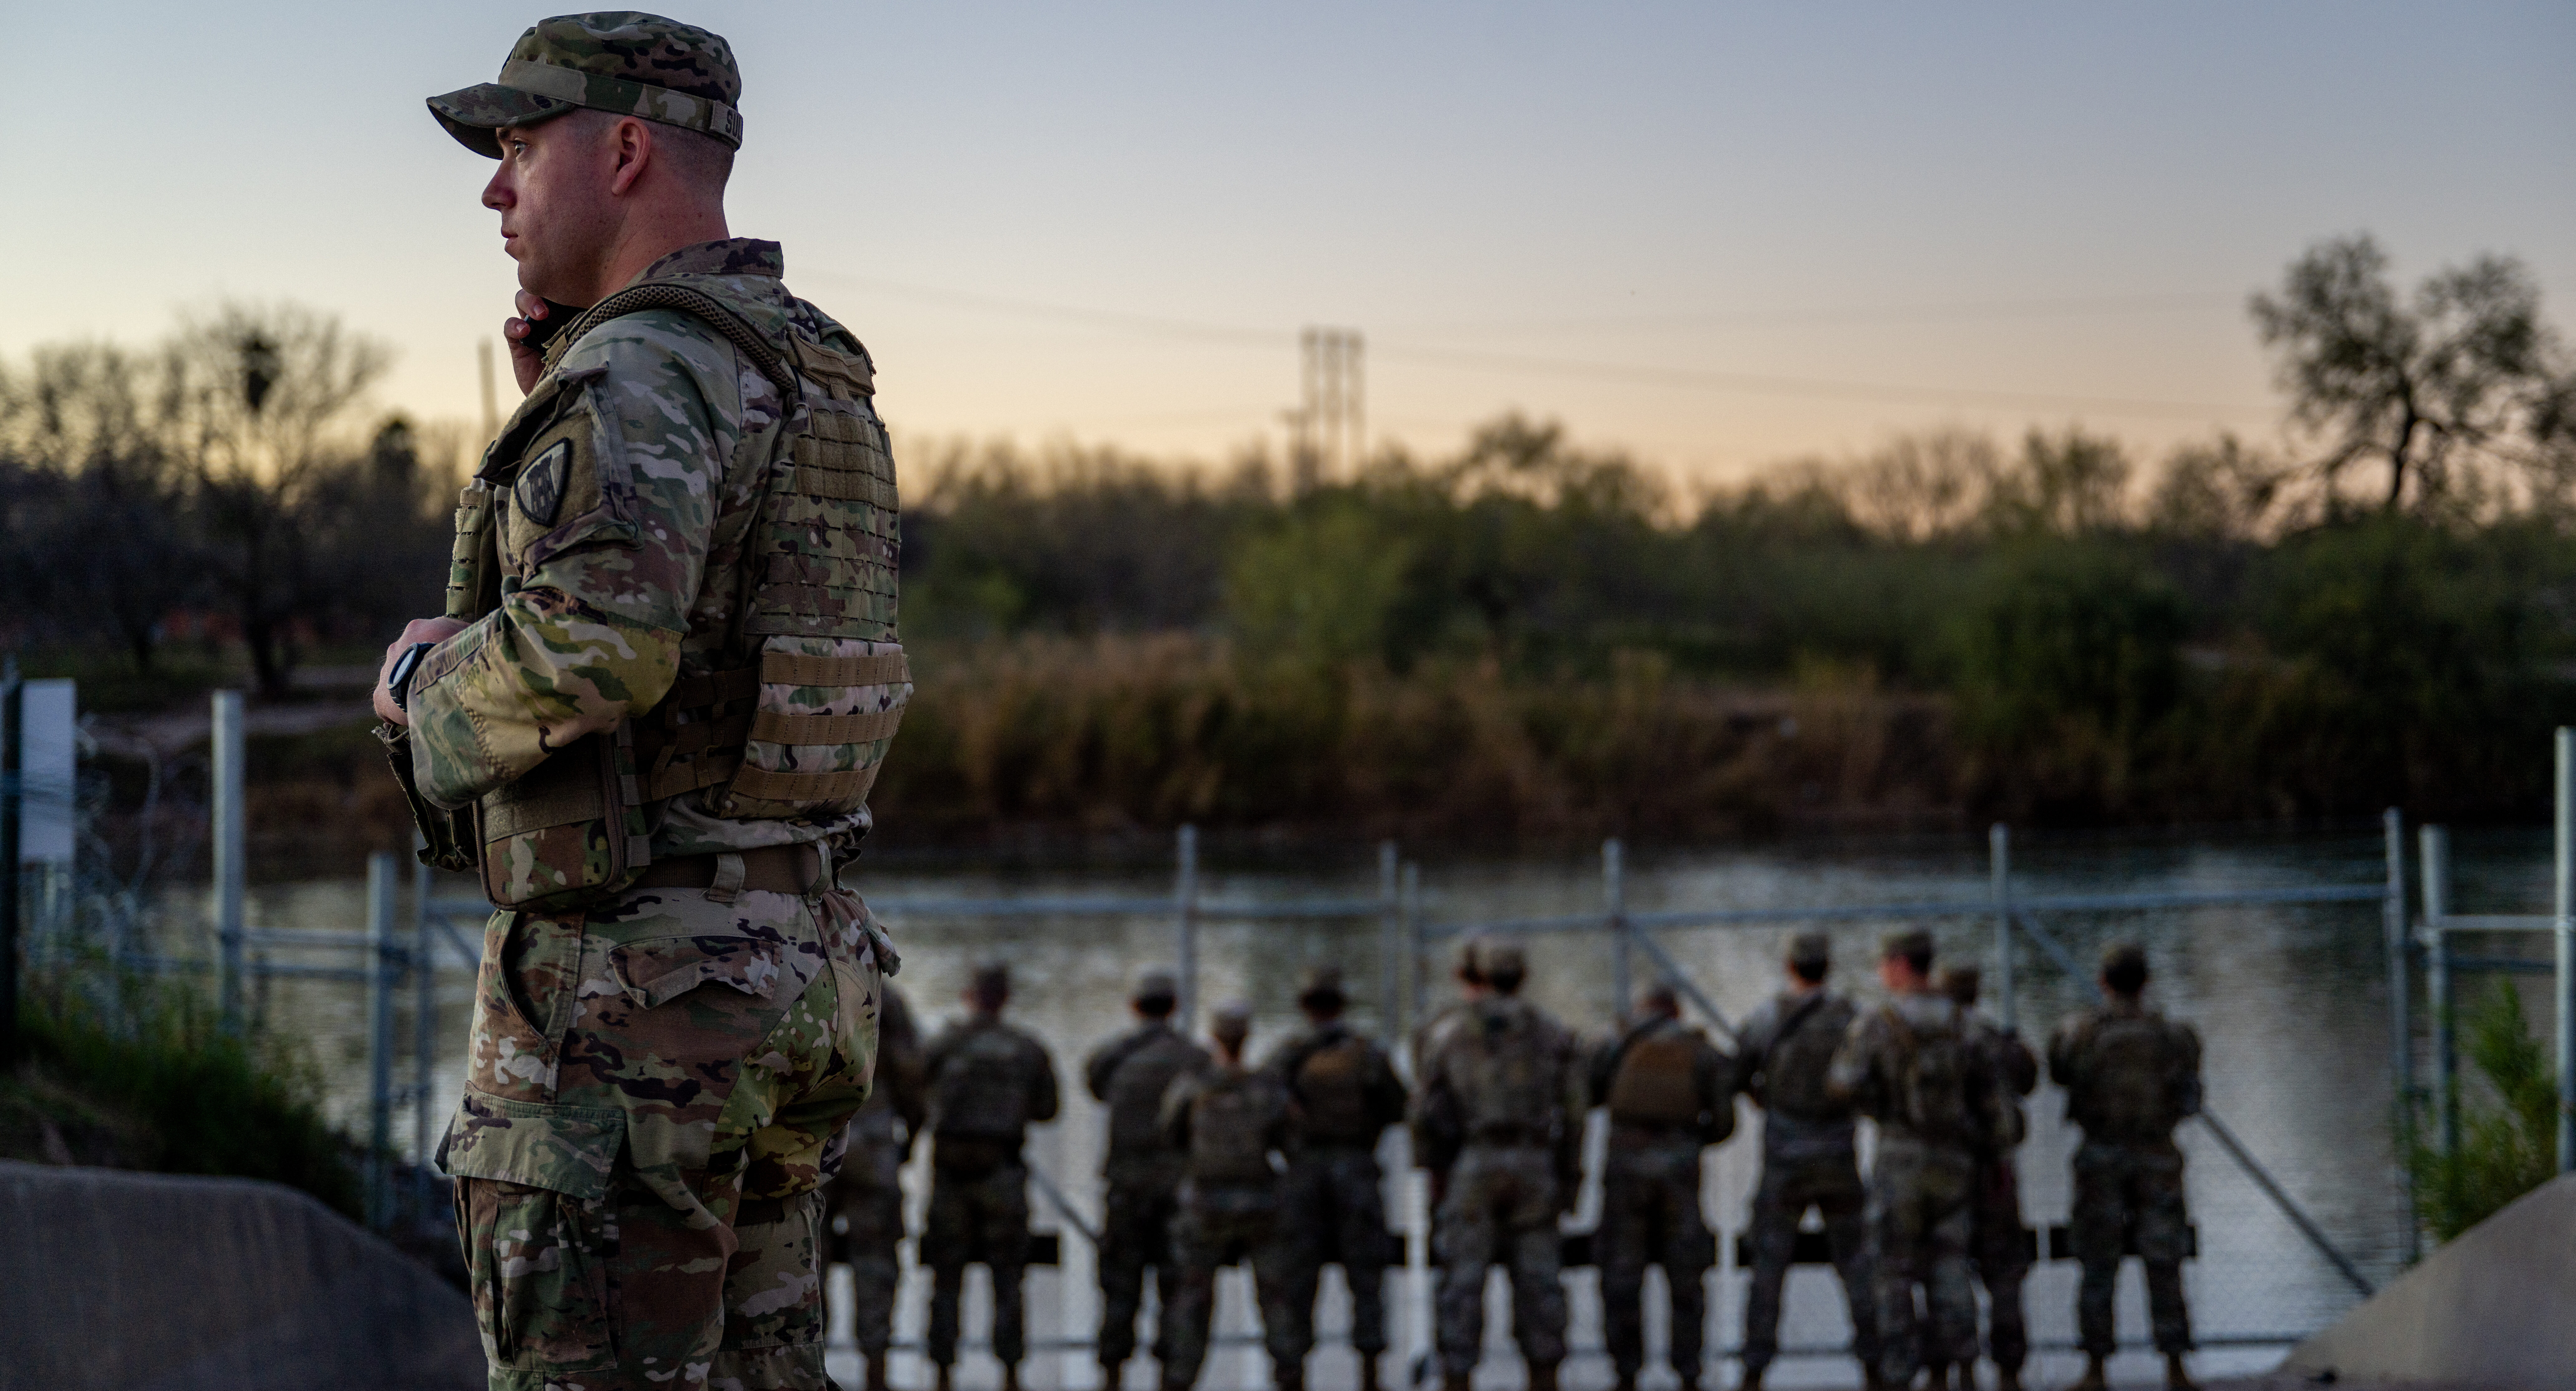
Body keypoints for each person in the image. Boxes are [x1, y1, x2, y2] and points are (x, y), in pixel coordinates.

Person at [392, 15, 905, 1390]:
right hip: (793, 956)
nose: (495, 189)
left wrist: (417, 685)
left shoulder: (643, 369)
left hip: (635, 994)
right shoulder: (811, 364)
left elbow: (597, 652)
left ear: (624, 150)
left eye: (517, 147)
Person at [1828, 930, 2004, 1391]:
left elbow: (1844, 1084)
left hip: (1898, 1160)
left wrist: (1881, 1106)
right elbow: (1994, 1103)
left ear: (1902, 965)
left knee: (1893, 1269)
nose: (1881, 972)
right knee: (1951, 1263)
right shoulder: (1966, 1023)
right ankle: (1965, 1365)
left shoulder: (1878, 1024)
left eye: (1885, 963)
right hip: (1955, 1161)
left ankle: (1900, 1370)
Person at [1410, 939, 1586, 1391]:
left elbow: (1425, 1112)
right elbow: (1575, 1113)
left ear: (1481, 978)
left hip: (1474, 1160)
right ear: (1523, 978)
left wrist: (1434, 1173)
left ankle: (1458, 1375)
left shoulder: (1448, 1032)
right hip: (1535, 1162)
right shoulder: (1552, 1033)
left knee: (1462, 1282)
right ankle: (1544, 1376)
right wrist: (1570, 1178)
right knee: (1540, 1282)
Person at [2047, 943, 2204, 1391]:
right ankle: (2176, 1366)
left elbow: (2059, 1073)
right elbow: (2191, 1096)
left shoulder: (2078, 1033)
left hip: (2100, 1157)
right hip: (2158, 1157)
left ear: (2103, 982)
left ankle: (2096, 1368)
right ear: (2147, 982)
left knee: (2098, 1261)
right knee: (2165, 1259)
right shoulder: (2175, 1035)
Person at [1731, 932, 1881, 1391]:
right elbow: (1871, 1079)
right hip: (1838, 1157)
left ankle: (1755, 1369)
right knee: (1857, 1264)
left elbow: (1737, 1072)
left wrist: (1768, 1102)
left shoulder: (1766, 1018)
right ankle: (1876, 1364)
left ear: (1788, 966)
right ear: (1828, 967)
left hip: (1783, 1162)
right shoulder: (1851, 1018)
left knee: (1768, 1269)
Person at [1260, 966, 1411, 1391]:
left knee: (1297, 1277)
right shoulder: (1368, 1054)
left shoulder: (1286, 1054)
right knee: (1366, 1275)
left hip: (1303, 1174)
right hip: (1357, 1171)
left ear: (1306, 1006)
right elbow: (1398, 1106)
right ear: (1342, 1005)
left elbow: (1263, 1108)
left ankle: (1291, 1371)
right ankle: (1369, 1370)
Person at [1587, 982, 1735, 1391]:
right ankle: (1689, 1370)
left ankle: (1626, 1370)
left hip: (1624, 1169)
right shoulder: (1701, 1051)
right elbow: (1725, 1121)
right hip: (1682, 1172)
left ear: (1641, 1010)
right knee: (1686, 1274)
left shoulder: (1612, 1043)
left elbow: (1583, 1091)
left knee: (1621, 1273)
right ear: (1677, 1012)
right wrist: (1689, 1141)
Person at [922, 963, 1062, 1391]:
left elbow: (914, 1092)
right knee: (1008, 1277)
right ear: (1005, 998)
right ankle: (1011, 1373)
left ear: (970, 996)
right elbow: (1047, 1110)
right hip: (1003, 1171)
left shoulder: (944, 1044)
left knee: (947, 1276)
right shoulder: (1027, 1048)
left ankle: (943, 1372)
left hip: (950, 1172)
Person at [1156, 1001, 1302, 1391]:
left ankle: (1180, 1377)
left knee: (1193, 1297)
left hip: (1205, 1205)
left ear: (1214, 1038)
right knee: (1276, 1297)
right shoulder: (1270, 1089)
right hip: (1262, 1205)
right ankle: (1289, 1374)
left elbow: (1169, 1137)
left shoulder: (1192, 1087)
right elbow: (1291, 1143)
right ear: (1247, 1038)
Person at [1084, 968, 1213, 1389]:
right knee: (1175, 1287)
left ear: (1135, 1006)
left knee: (1120, 1285)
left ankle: (1112, 1374)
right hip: (1177, 1189)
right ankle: (1171, 1375)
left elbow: (1095, 1084)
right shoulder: (1195, 1058)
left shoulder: (1115, 1056)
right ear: (1173, 1007)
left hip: (1126, 1188)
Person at [1937, 965, 2037, 1391]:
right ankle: (2010, 1369)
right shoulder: (1998, 1040)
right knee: (2004, 1273)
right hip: (1997, 1171)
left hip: (1948, 1170)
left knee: (1949, 1268)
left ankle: (1960, 1365)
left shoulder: (1935, 1043)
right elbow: (2030, 1079)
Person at [831, 984, 928, 1391]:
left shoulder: (794, 978)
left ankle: (801, 1367)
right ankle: (876, 1371)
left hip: (803, 1144)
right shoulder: (882, 992)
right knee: (876, 1259)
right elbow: (910, 1072)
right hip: (872, 1142)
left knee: (798, 1258)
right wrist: (912, 1131)